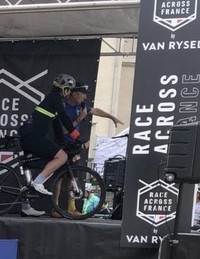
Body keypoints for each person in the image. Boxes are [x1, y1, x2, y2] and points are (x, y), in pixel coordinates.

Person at [50, 81, 124, 218]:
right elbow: (63, 130)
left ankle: (72, 208)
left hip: (74, 147)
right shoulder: (63, 107)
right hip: (60, 146)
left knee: (73, 178)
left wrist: (111, 117)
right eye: (83, 94)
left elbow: (95, 110)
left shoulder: (81, 107)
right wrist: (79, 119)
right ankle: (55, 208)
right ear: (75, 94)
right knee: (58, 178)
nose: (85, 97)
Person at [19, 74, 82, 217]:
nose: (68, 94)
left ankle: (26, 206)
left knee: (30, 167)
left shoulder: (51, 101)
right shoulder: (55, 98)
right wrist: (77, 137)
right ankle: (38, 183)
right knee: (62, 157)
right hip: (33, 137)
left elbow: (57, 127)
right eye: (69, 91)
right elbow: (64, 118)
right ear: (65, 89)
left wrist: (64, 142)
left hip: (30, 137)